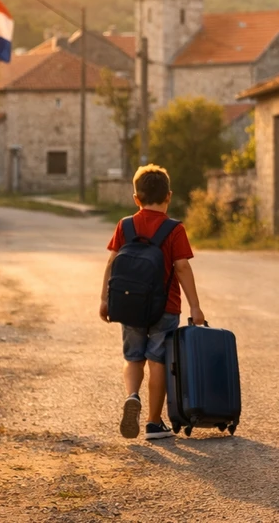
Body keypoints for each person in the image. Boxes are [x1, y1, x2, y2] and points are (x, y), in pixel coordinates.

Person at [100, 164, 205, 441]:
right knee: (157, 360)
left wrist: (104, 300)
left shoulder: (125, 225)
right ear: (168, 196)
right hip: (165, 307)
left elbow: (112, 262)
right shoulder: (174, 229)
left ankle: (132, 396)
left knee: (133, 357)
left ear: (136, 198)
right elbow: (181, 267)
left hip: (128, 305)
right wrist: (195, 306)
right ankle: (153, 422)